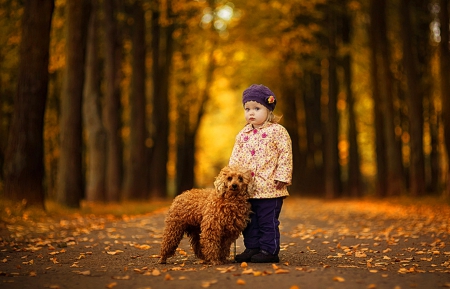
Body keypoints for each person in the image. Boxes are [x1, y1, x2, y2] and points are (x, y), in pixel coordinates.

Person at [229, 84, 293, 263]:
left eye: (257, 109)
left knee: (267, 221)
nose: (251, 113)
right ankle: (252, 247)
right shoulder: (243, 135)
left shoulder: (278, 132)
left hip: (270, 188)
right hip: (248, 189)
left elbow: (285, 154)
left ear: (269, 110)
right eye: (247, 109)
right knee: (249, 222)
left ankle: (269, 250)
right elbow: (234, 160)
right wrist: (231, 180)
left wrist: (282, 176)